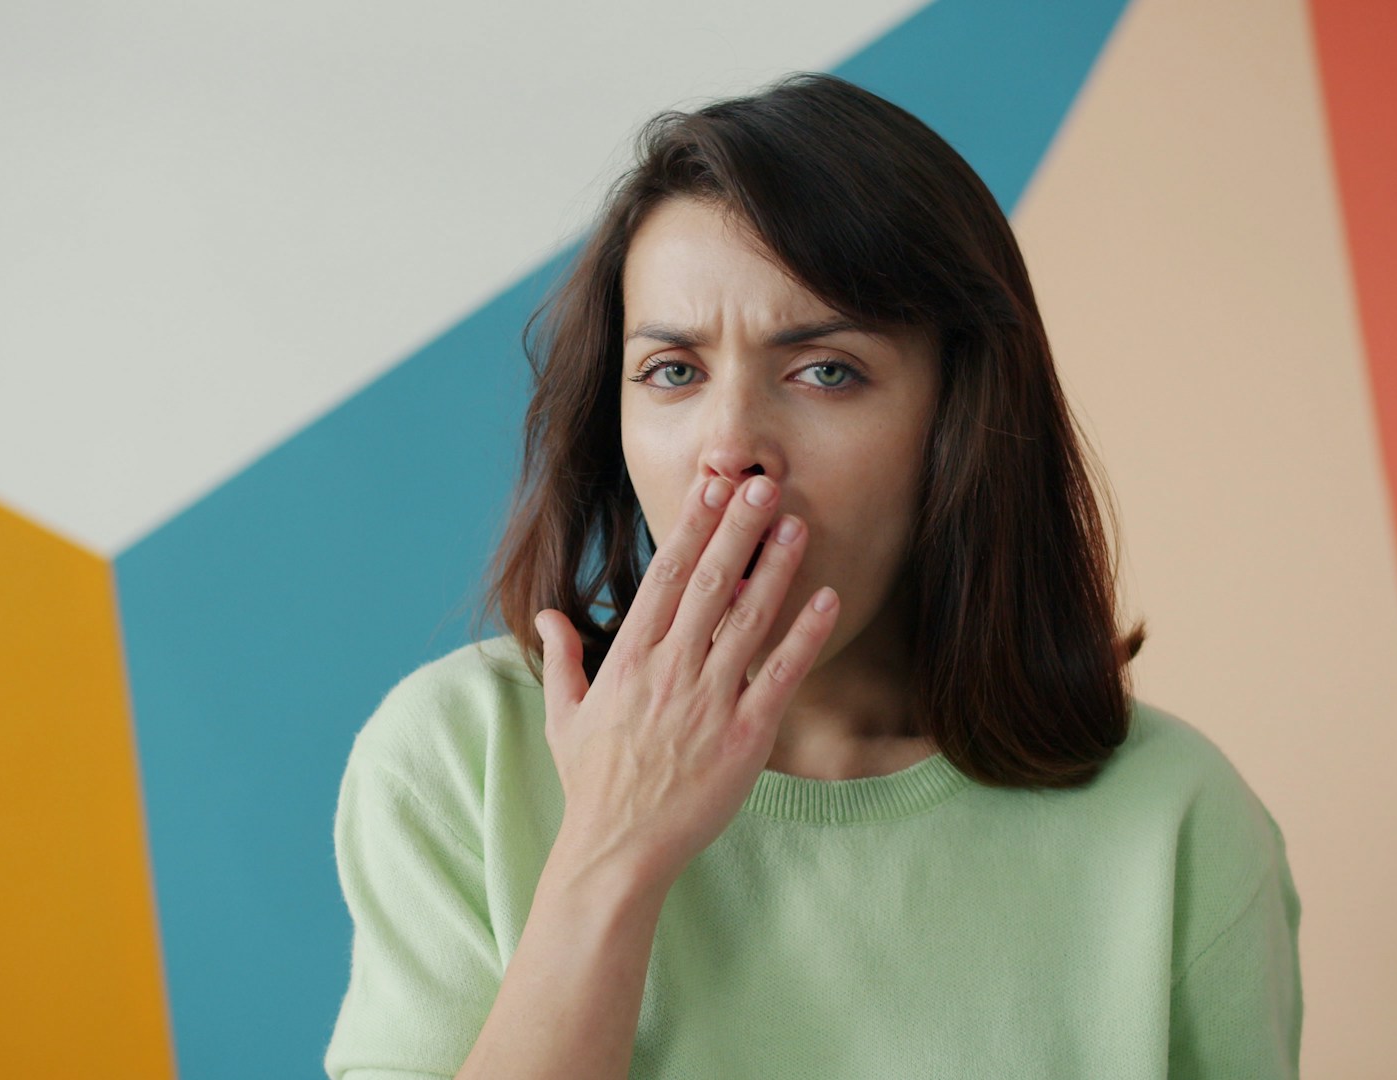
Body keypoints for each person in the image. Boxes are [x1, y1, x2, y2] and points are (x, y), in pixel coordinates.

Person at [324, 72, 1301, 1079]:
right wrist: (612, 847)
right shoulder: (457, 761)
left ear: (958, 421)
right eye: (673, 372)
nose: (732, 447)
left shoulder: (1178, 824)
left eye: (826, 369)